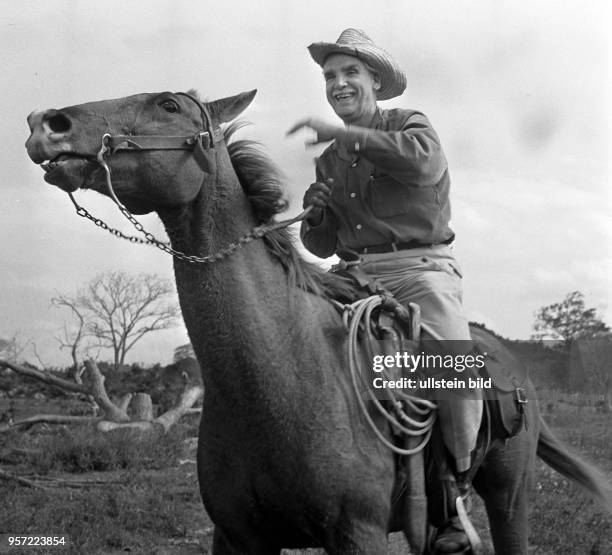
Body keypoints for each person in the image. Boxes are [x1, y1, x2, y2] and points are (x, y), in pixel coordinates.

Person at [287, 28, 483, 554]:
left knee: (452, 365)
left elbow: (422, 165)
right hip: (352, 273)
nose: (339, 83)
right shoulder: (328, 160)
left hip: (421, 268)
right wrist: (318, 213)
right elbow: (322, 243)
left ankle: (457, 498)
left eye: (350, 72)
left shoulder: (410, 124)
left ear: (375, 79)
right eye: (330, 76)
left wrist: (348, 136)